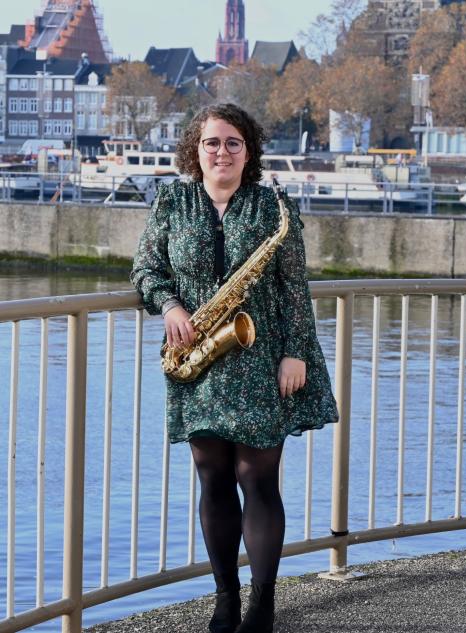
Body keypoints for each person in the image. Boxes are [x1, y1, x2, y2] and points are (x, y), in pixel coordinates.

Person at [130, 103, 339, 633]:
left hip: (261, 357)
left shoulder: (274, 207)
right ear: (194, 150)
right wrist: (171, 306)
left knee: (257, 477)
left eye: (232, 143)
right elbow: (146, 268)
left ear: (249, 151)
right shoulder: (173, 201)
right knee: (213, 478)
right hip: (199, 358)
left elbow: (295, 289)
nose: (221, 152)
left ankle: (262, 604)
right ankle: (226, 597)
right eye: (211, 143)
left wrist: (295, 353)